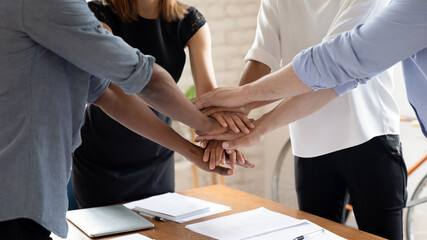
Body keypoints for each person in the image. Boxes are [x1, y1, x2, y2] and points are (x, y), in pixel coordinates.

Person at [0, 0, 245, 239]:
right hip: (27, 188)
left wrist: (195, 149)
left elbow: (105, 92)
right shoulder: (57, 6)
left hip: (32, 195)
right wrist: (210, 127)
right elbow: (141, 82)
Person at [196, 1, 406, 239]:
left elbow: (332, 65)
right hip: (309, 143)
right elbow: (262, 58)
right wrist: (231, 121)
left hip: (369, 135)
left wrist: (246, 111)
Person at [72, 0, 253, 209]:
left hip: (158, 157)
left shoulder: (191, 22)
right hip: (100, 161)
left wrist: (220, 140)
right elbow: (115, 91)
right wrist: (207, 135)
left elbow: (208, 99)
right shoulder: (98, 14)